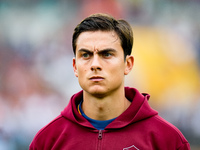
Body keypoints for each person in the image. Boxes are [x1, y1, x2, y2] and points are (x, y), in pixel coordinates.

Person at [29, 13, 190, 150]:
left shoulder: (168, 140)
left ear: (128, 64)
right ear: (75, 66)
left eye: (107, 54)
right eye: (85, 55)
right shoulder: (47, 141)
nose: (95, 65)